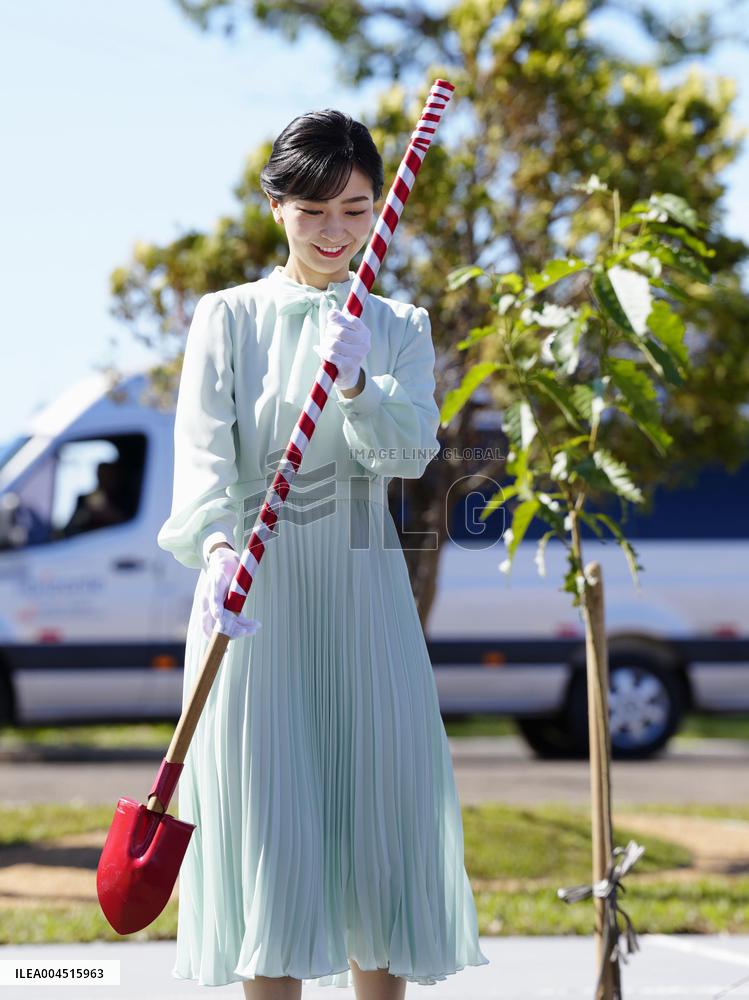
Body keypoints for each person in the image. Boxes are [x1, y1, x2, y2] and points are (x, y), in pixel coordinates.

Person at [156, 108, 489, 999]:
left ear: (378, 207)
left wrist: (356, 381)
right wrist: (219, 547)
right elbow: (203, 462)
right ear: (275, 208)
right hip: (254, 604)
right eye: (313, 211)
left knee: (373, 831)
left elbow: (408, 453)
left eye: (355, 208)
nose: (336, 231)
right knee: (274, 845)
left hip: (362, 594)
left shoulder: (399, 324)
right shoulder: (226, 318)